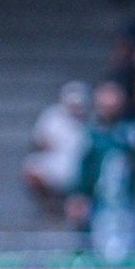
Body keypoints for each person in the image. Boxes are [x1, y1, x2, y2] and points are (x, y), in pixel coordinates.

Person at [67, 80, 135, 262]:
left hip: (128, 201)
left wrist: (133, 158)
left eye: (113, 95)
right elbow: (84, 168)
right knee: (100, 249)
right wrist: (78, 194)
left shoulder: (133, 131)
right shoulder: (91, 134)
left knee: (131, 249)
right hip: (100, 202)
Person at [22, 81, 90, 213]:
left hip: (79, 165)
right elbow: (38, 141)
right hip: (55, 162)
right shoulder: (52, 116)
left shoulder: (90, 120)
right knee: (31, 170)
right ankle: (51, 205)